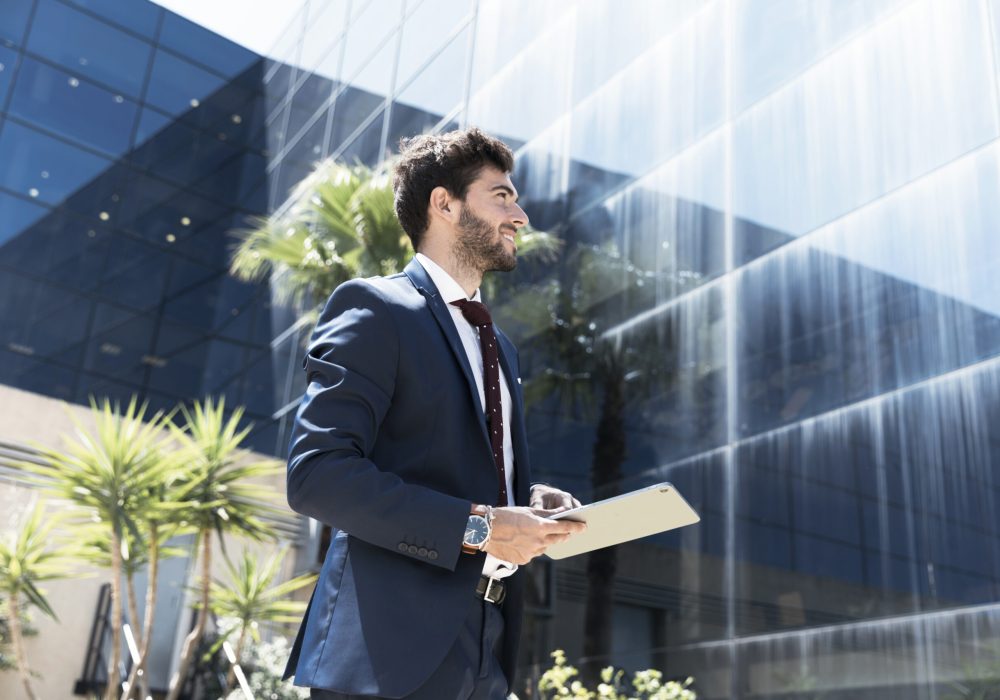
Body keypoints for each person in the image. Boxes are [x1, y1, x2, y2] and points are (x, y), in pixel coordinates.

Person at [282, 127, 586, 699]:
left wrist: (524, 501)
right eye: (501, 196)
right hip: (386, 657)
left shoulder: (501, 348)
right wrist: (484, 527)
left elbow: (446, 469)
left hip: (486, 651)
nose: (519, 216)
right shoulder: (374, 307)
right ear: (444, 204)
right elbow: (317, 476)